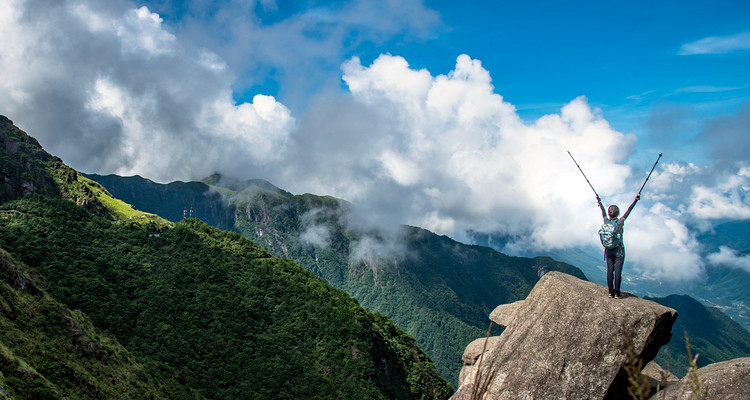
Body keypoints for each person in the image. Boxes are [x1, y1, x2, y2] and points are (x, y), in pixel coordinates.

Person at [596, 193, 640, 299]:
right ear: (618, 213)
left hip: (608, 249)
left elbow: (602, 212)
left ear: (609, 214)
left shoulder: (606, 221)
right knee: (618, 271)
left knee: (610, 270)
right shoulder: (620, 222)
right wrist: (636, 200)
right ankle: (617, 292)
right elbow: (629, 210)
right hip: (619, 250)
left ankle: (610, 292)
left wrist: (600, 202)